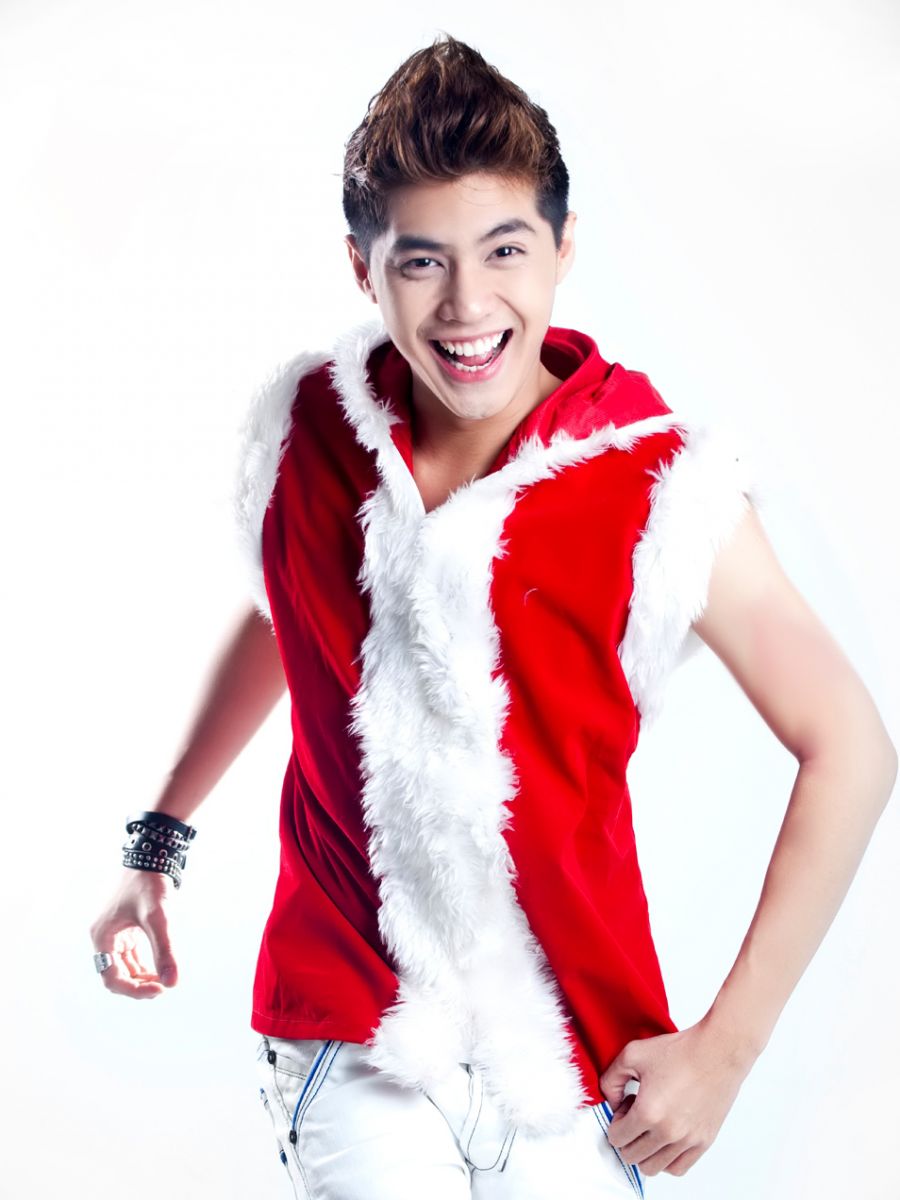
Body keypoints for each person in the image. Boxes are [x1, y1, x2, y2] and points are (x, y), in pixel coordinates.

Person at [89, 33, 897, 1200]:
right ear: (364, 270)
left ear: (564, 250)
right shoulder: (310, 428)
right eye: (422, 262)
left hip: (572, 1062)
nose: (468, 305)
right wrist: (155, 847)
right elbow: (286, 614)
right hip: (357, 1032)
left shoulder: (661, 486)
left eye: (505, 250)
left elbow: (851, 746)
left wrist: (729, 1049)